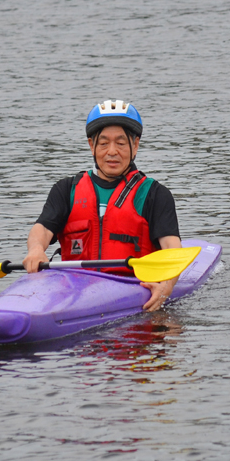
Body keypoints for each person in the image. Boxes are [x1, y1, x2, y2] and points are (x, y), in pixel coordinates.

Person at [22, 100, 182, 312]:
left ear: (135, 145)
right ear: (92, 146)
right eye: (104, 143)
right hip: (73, 289)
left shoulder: (154, 194)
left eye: (121, 143)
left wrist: (166, 287)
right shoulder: (66, 189)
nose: (112, 151)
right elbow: (42, 228)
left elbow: (172, 249)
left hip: (132, 286)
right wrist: (35, 250)